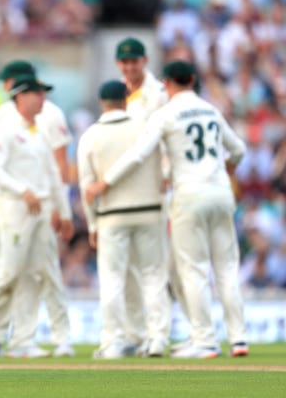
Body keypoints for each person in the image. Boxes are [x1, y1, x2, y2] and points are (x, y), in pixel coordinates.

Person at [85, 61, 248, 359]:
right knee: (226, 268)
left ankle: (205, 340)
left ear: (167, 84)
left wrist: (104, 182)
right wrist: (229, 167)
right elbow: (238, 149)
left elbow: (138, 155)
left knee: (193, 270)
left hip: (189, 196)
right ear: (194, 80)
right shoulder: (211, 110)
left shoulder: (166, 113)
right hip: (221, 193)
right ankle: (238, 339)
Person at [0, 60, 75, 358]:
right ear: (20, 95)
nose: (42, 99)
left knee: (36, 274)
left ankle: (23, 341)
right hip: (14, 209)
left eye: (43, 94)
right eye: (37, 93)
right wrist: (24, 191)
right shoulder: (4, 127)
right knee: (7, 272)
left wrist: (66, 212)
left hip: (40, 209)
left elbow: (53, 176)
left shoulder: (39, 130)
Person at [77, 80, 169, 359]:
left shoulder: (90, 135)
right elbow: (163, 167)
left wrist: (92, 224)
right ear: (126, 97)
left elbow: (86, 185)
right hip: (149, 210)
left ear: (100, 101)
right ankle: (156, 339)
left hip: (112, 216)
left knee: (112, 279)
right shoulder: (145, 127)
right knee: (153, 276)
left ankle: (115, 341)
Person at [113, 37, 184, 355]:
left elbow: (170, 137)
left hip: (152, 186)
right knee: (125, 265)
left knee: (154, 267)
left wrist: (167, 173)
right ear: (118, 64)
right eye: (124, 63)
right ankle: (135, 332)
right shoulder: (116, 93)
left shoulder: (158, 95)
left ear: (144, 61)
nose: (129, 68)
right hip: (120, 187)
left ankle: (158, 335)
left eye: (134, 62)